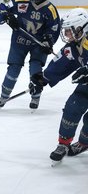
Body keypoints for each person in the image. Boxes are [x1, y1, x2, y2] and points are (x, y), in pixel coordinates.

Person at [29, 8, 88, 162]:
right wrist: (43, 79)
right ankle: (63, 144)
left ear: (81, 28)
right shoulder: (75, 45)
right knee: (72, 107)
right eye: (66, 31)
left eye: (69, 31)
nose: (67, 35)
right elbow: (61, 63)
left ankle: (84, 142)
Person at [0, 0, 60, 110]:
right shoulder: (20, 1)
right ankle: (4, 96)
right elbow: (1, 9)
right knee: (13, 68)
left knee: (35, 69)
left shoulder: (50, 9)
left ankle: (36, 97)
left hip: (38, 44)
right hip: (19, 41)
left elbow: (54, 28)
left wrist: (48, 41)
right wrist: (7, 17)